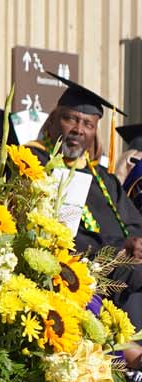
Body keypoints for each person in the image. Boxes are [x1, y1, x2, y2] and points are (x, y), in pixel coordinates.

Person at [30, 79, 142, 322]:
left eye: (88, 124)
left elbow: (134, 222)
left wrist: (136, 243)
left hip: (124, 273)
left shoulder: (104, 179)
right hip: (79, 280)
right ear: (53, 120)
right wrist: (121, 248)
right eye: (70, 119)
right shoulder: (34, 165)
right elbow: (67, 235)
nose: (78, 129)